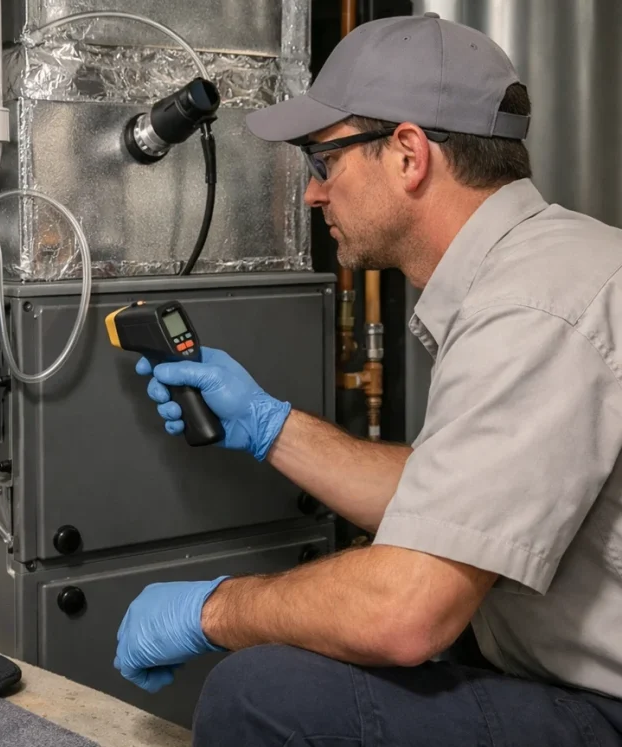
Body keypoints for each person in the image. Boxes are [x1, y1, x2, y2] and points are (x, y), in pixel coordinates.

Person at [113, 12, 622, 746]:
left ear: (409, 155)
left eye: (324, 162)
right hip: (565, 676)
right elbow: (450, 501)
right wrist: (267, 424)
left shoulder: (533, 307)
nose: (315, 195)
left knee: (261, 694)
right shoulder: (544, 265)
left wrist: (214, 609)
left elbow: (406, 610)